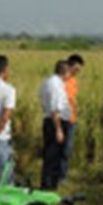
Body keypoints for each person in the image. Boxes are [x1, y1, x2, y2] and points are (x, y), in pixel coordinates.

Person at [38, 60, 72, 190]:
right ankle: (49, 186)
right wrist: (58, 129)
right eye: (69, 72)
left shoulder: (47, 82)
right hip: (55, 122)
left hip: (50, 121)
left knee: (50, 155)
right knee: (53, 156)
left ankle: (48, 184)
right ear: (65, 72)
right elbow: (55, 109)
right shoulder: (56, 85)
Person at [62, 53, 84, 179]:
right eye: (75, 69)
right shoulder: (61, 81)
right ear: (68, 66)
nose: (76, 72)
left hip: (72, 118)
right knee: (62, 149)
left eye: (78, 70)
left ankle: (63, 174)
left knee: (67, 149)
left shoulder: (73, 81)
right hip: (63, 119)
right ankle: (59, 175)